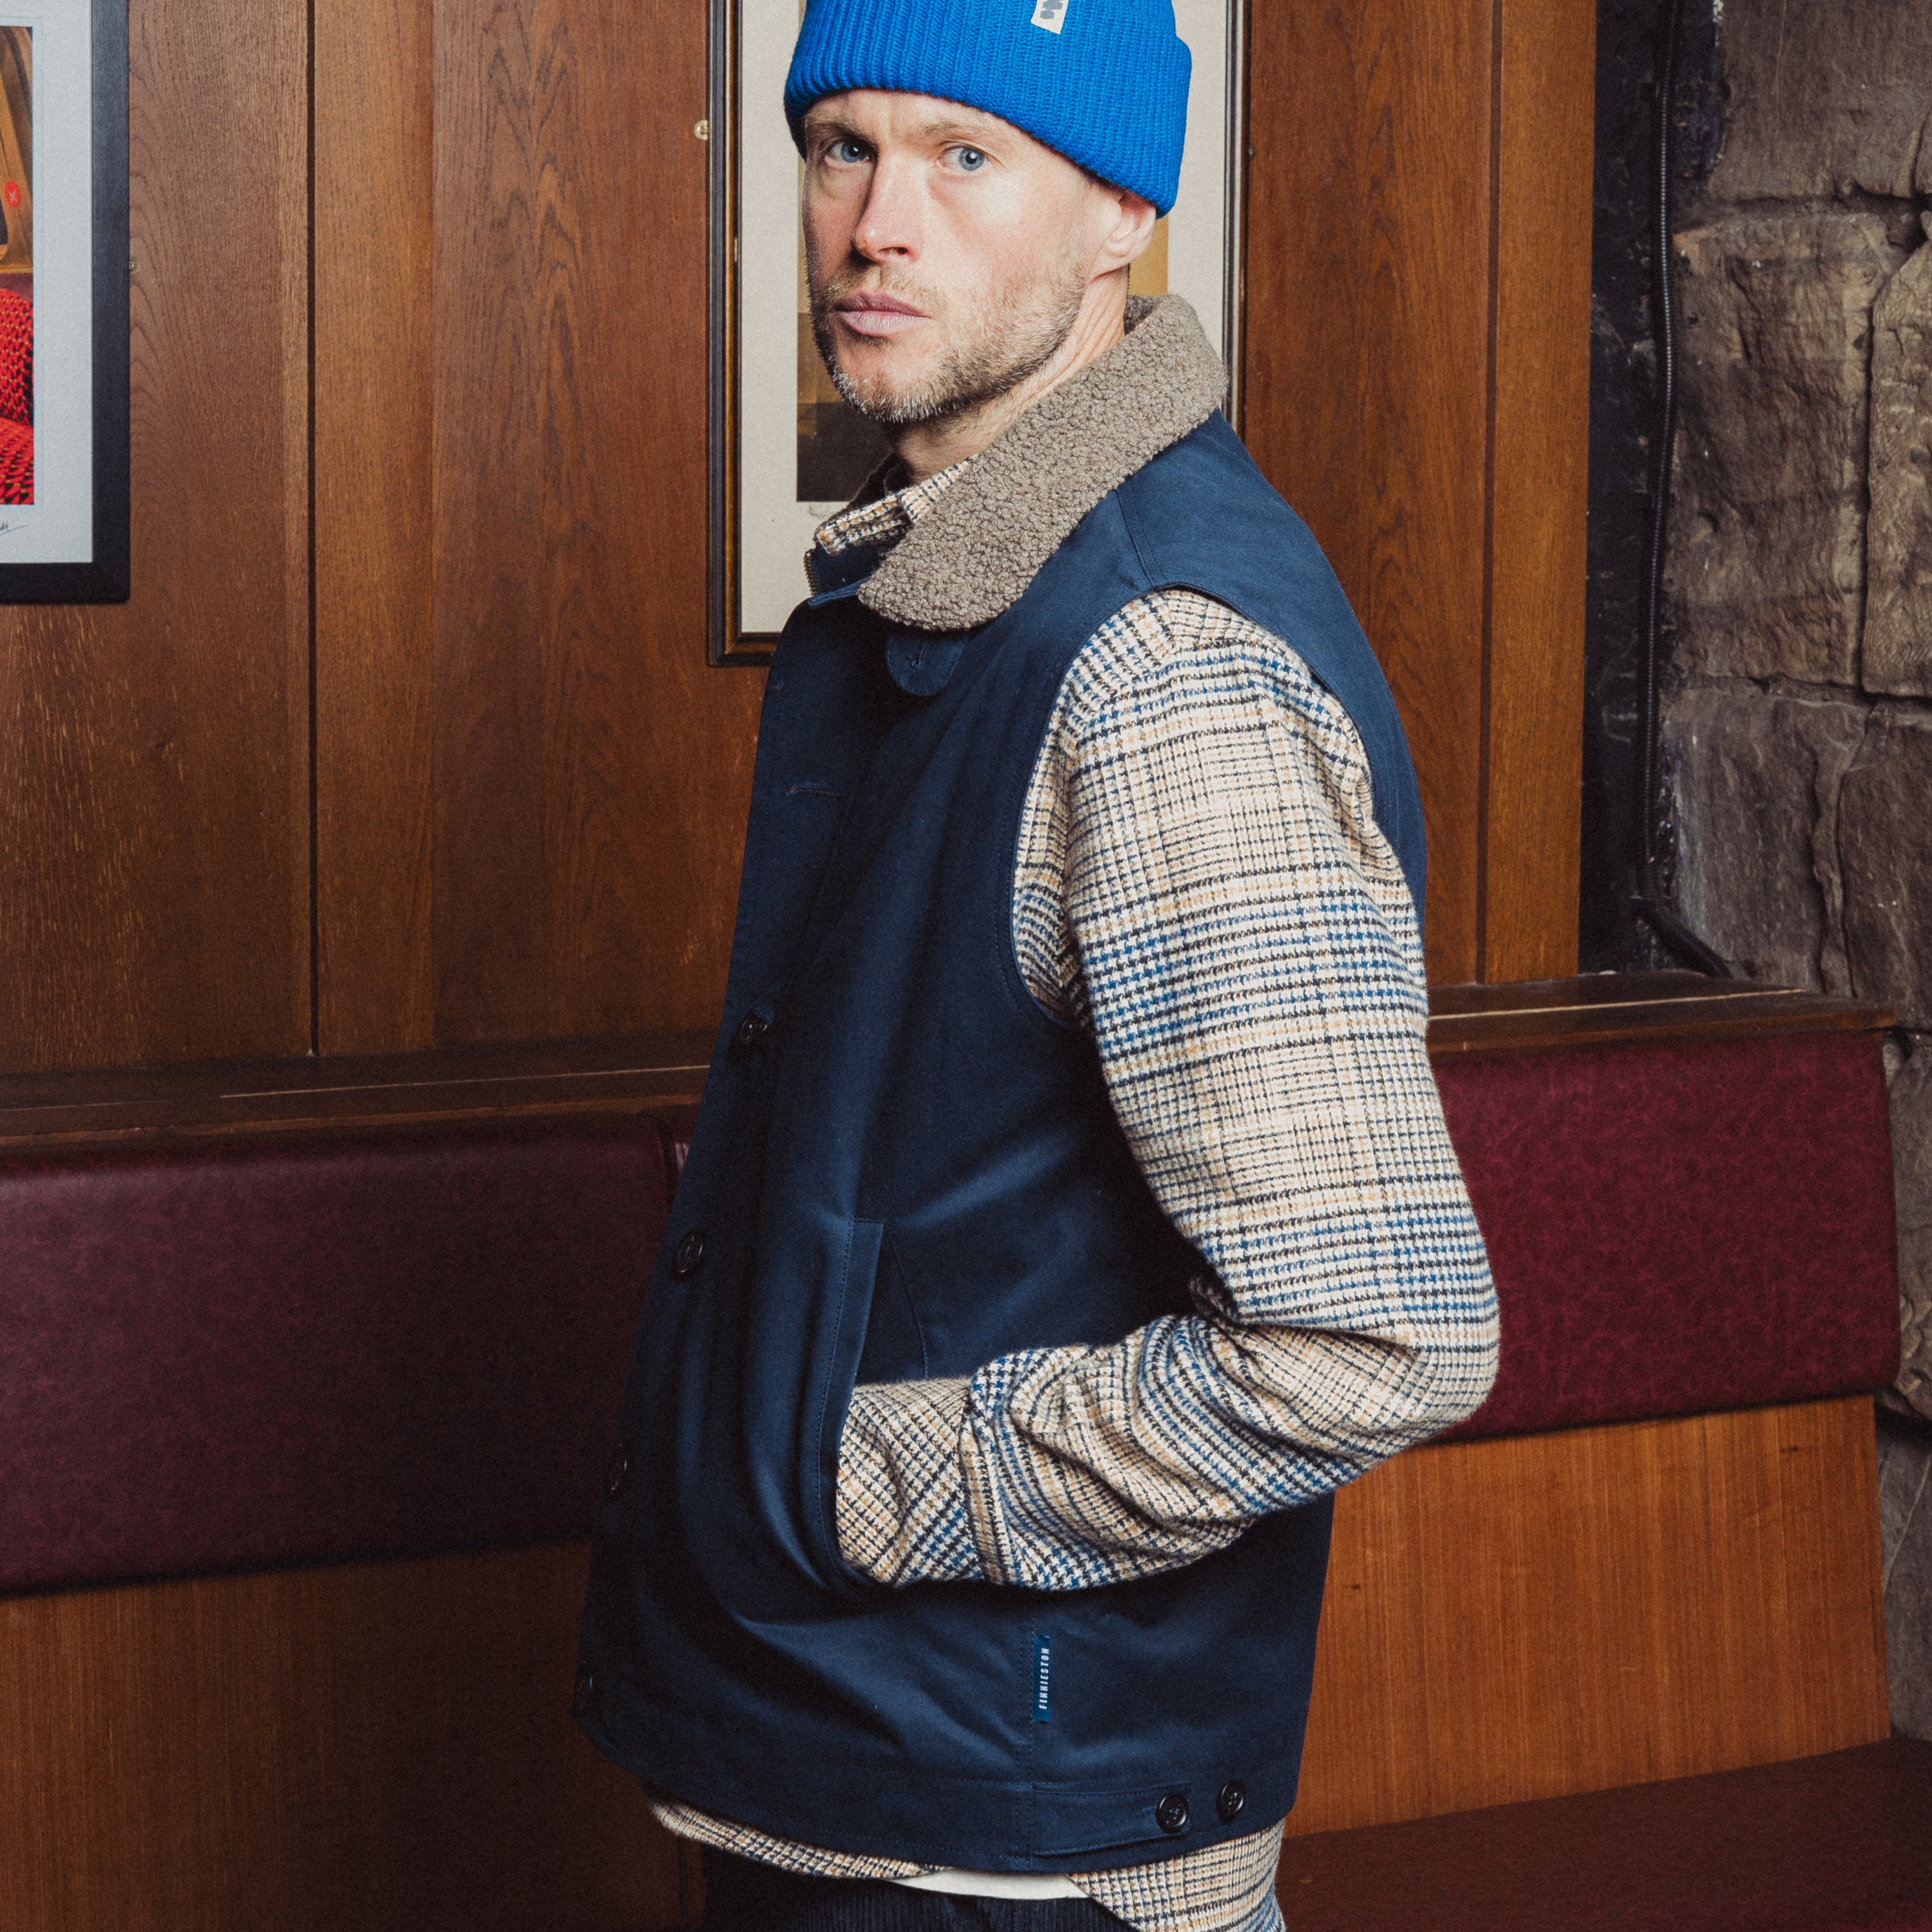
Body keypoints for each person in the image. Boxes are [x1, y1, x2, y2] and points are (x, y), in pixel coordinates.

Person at [575, 1, 1499, 1926]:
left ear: (1120, 216)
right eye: (842, 145)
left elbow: (1379, 1337)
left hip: (1008, 1827)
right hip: (857, 1770)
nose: (876, 222)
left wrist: (858, 1479)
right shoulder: (938, 584)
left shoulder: (1158, 666)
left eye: (965, 155)